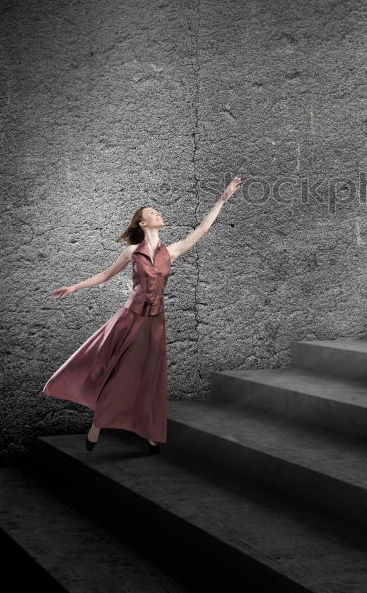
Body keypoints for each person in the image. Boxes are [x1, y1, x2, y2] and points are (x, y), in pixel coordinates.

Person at [42, 177, 242, 453]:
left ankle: (149, 431)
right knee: (118, 373)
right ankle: (98, 424)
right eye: (152, 212)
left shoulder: (171, 251)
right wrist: (75, 286)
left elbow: (202, 230)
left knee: (150, 380)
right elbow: (105, 275)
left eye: (157, 211)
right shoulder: (131, 251)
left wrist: (222, 199)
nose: (158, 213)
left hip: (156, 324)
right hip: (130, 319)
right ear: (142, 223)